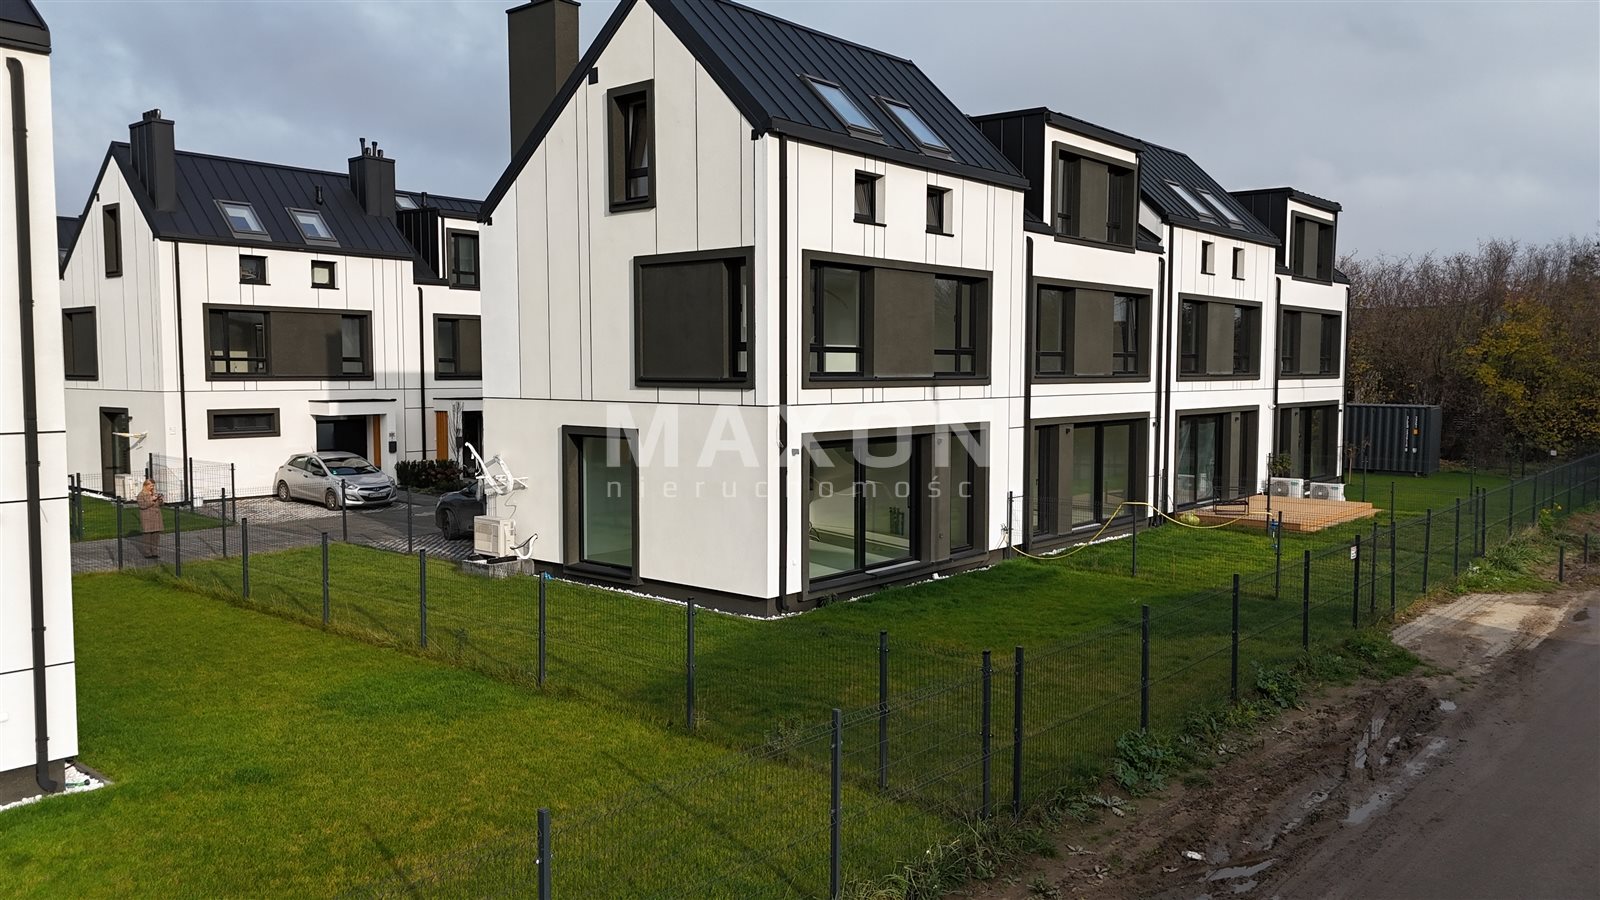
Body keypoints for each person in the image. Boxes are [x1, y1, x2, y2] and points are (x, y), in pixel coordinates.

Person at [136, 479, 164, 559]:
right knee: (147, 536)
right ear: (146, 485)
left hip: (156, 517)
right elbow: (142, 505)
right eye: (151, 486)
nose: (152, 487)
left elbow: (160, 504)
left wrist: (160, 500)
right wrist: (152, 500)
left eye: (153, 486)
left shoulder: (154, 493)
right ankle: (147, 553)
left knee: (156, 536)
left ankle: (155, 552)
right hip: (147, 518)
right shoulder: (141, 495)